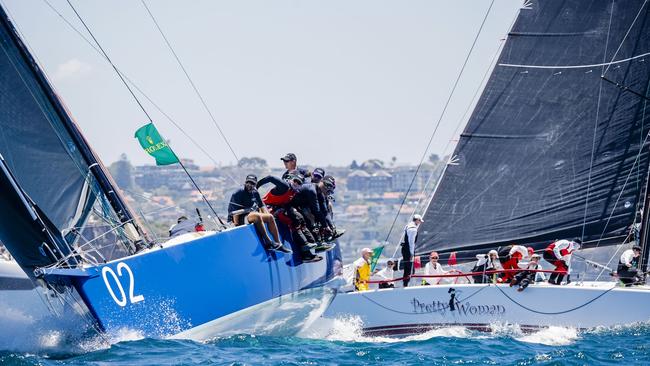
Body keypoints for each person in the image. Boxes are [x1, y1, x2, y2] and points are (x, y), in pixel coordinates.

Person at [257, 172, 322, 262]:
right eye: (295, 181)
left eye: (299, 183)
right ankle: (305, 249)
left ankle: (310, 246)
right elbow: (270, 177)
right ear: (292, 180)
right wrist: (255, 188)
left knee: (300, 218)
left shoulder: (295, 191)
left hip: (280, 208)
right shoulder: (285, 186)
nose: (296, 183)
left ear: (301, 185)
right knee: (293, 221)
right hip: (268, 208)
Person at [227, 174, 290, 253]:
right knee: (257, 216)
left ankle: (279, 244)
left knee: (270, 217)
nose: (250, 185)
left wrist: (267, 216)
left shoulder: (255, 192)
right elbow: (233, 213)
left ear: (255, 184)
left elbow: (262, 205)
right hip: (236, 217)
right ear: (245, 182)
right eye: (248, 183)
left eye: (252, 183)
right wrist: (236, 226)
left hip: (248, 214)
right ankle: (268, 242)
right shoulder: (239, 192)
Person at [401, 214, 423, 287]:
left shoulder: (408, 226)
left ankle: (406, 284)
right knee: (409, 268)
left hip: (405, 248)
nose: (419, 223)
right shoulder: (413, 229)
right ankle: (406, 285)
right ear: (416, 220)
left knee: (409, 268)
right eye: (419, 221)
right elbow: (411, 242)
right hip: (408, 249)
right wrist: (411, 254)